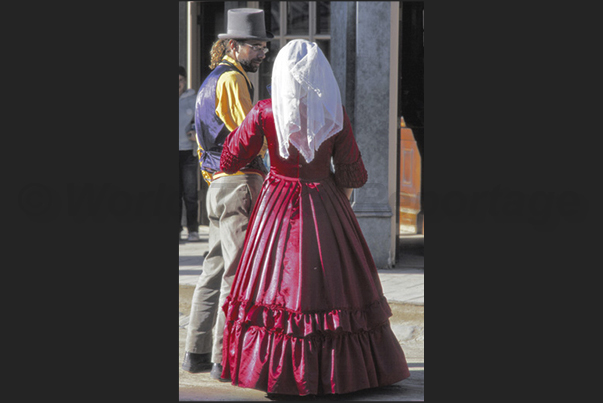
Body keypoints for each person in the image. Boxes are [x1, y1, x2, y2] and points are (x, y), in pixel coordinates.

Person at [217, 39, 411, 396]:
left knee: (275, 283)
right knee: (337, 285)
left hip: (276, 205)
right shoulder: (333, 112)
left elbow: (230, 158)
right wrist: (330, 181)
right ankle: (340, 373)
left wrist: (259, 156)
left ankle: (276, 372)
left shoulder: (264, 111)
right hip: (326, 203)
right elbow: (355, 174)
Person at [181, 8, 273, 381]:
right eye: (256, 46)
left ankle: (196, 354)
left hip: (217, 185)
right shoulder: (233, 81)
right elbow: (249, 137)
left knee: (213, 271)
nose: (262, 52)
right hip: (238, 183)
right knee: (234, 275)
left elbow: (208, 144)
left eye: (265, 46)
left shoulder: (209, 81)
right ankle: (224, 359)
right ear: (233, 46)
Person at [179, 66, 200, 242]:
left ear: (185, 81)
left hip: (189, 154)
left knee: (190, 193)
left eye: (180, 80)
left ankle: (193, 229)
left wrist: (195, 132)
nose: (178, 84)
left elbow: (200, 122)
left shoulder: (193, 99)